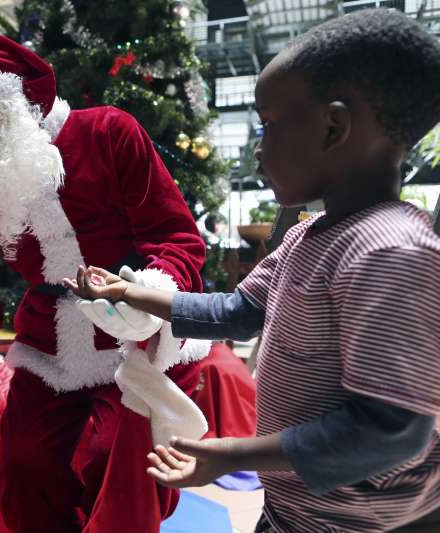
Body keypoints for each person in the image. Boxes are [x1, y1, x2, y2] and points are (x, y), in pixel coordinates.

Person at [64, 11, 440, 533]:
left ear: (334, 127)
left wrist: (232, 454)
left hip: (358, 522)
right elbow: (240, 312)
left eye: (268, 124)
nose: (258, 148)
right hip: (295, 508)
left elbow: (394, 427)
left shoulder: (389, 252)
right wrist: (133, 292)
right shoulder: (311, 235)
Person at [0, 34, 210, 532]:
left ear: (11, 107)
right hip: (49, 344)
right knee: (24, 470)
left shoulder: (109, 132)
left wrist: (146, 296)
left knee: (118, 464)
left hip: (136, 336)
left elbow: (175, 236)